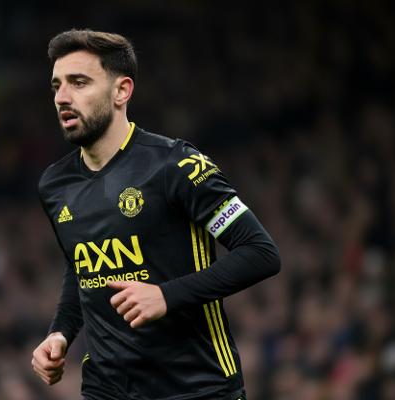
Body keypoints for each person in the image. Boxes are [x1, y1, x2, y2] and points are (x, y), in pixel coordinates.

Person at [31, 29, 281, 400]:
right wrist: (60, 332)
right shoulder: (55, 184)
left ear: (121, 91)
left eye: (79, 83)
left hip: (197, 388)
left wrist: (167, 295)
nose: (62, 97)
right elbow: (80, 266)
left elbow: (260, 252)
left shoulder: (176, 165)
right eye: (57, 86)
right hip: (105, 389)